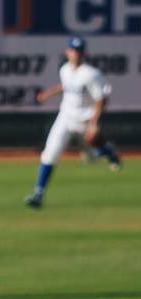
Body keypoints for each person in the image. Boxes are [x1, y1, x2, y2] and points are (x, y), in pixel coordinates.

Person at [25, 36, 121, 209]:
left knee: (90, 158)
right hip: (65, 118)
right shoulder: (65, 70)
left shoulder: (91, 74)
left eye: (78, 51)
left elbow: (102, 100)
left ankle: (108, 151)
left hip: (85, 121)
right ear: (67, 52)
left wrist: (94, 123)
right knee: (50, 153)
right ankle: (38, 193)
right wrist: (48, 94)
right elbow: (66, 86)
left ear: (83, 53)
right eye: (72, 50)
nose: (75, 54)